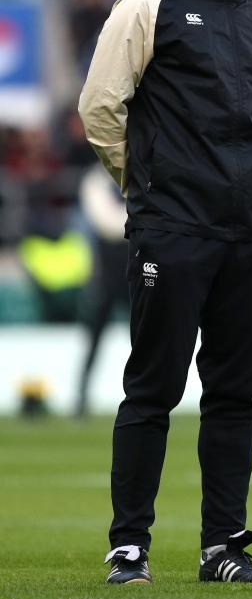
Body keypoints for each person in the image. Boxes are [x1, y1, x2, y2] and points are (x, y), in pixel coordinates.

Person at [78, 0, 252, 585]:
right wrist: (147, 186)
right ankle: (129, 547)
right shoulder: (151, 0)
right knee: (153, 387)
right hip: (172, 227)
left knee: (236, 394)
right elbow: (100, 106)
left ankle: (221, 547)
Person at [76, 163, 128, 418]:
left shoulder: (136, 174)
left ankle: (153, 395)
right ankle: (81, 397)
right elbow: (107, 223)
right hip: (107, 274)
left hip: (134, 269)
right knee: (94, 339)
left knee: (146, 337)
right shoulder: (95, 181)